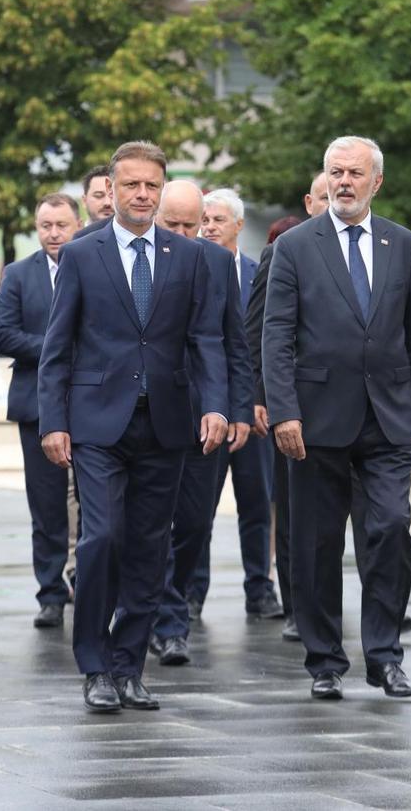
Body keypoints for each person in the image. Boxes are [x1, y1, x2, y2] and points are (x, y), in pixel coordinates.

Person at [38, 141, 227, 713]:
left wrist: (216, 404)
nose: (142, 195)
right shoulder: (81, 254)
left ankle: (129, 666)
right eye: (132, 186)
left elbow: (205, 339)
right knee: (102, 539)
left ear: (162, 189)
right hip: (97, 424)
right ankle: (94, 665)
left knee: (150, 548)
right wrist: (53, 420)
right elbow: (59, 345)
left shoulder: (186, 256)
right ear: (112, 191)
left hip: (167, 423)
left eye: (152, 186)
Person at [263, 135, 411, 703]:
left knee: (389, 528)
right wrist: (284, 409)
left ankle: (385, 657)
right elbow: (277, 335)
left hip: (388, 418)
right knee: (315, 544)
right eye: (335, 172)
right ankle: (324, 660)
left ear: (375, 182)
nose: (343, 182)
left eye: (354, 173)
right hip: (315, 421)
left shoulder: (403, 245)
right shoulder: (295, 246)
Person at [146, 180, 253, 667]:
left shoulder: (214, 262)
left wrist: (238, 409)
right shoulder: (140, 261)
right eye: (175, 225)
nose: (188, 234)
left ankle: (171, 600)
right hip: (145, 415)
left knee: (193, 522)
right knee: (149, 523)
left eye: (194, 224)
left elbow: (235, 341)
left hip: (203, 415)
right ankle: (166, 621)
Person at [189, 188, 279, 621]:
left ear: (239, 226)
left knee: (257, 504)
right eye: (203, 220)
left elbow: (266, 343)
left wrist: (257, 401)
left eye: (217, 220)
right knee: (197, 510)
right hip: (204, 411)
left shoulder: (259, 272)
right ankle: (191, 592)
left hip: (252, 412)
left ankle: (260, 588)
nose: (208, 228)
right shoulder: (189, 269)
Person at [246, 173, 327, 642]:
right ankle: (297, 605)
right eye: (322, 195)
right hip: (291, 402)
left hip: (352, 404)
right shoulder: (281, 251)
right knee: (294, 510)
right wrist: (261, 397)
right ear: (310, 202)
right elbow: (258, 330)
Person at [0, 192, 83, 627]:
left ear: (77, 224)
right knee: (46, 504)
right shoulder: (17, 274)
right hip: (36, 405)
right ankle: (50, 591)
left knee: (93, 501)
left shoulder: (92, 264)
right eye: (46, 226)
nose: (53, 234)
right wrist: (57, 349)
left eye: (61, 225)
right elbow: (3, 334)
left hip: (90, 402)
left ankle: (86, 581)